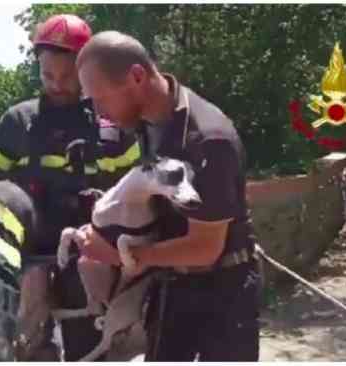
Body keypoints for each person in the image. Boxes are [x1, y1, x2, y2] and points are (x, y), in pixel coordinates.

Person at [0, 17, 140, 361]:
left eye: (67, 76)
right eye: (47, 75)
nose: (57, 84)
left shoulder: (112, 127)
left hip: (90, 253)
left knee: (90, 346)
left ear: (86, 70)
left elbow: (138, 189)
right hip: (31, 248)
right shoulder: (19, 122)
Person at [75, 30, 262, 361]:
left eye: (101, 98)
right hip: (173, 284)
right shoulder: (149, 123)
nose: (100, 113)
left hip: (225, 293)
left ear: (136, 76)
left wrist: (123, 256)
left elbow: (205, 248)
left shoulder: (207, 138)